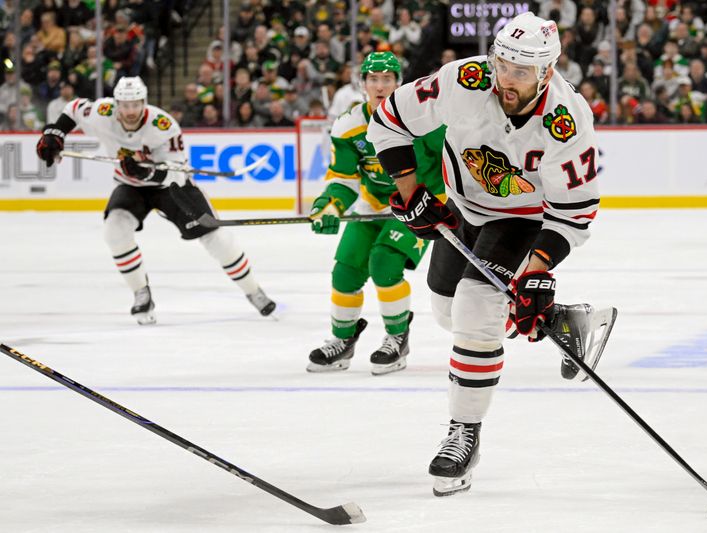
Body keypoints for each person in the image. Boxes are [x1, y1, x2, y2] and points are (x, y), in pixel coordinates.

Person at [367, 13, 600, 495]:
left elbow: (574, 212)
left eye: (520, 71)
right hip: (464, 208)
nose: (505, 78)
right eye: (502, 63)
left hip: (523, 218)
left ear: (547, 72)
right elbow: (389, 120)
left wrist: (536, 271)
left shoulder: (567, 120)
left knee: (477, 308)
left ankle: (464, 433)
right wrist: (411, 193)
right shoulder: (464, 80)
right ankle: (565, 320)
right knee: (446, 311)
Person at [35, 76, 276, 324]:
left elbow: (175, 170)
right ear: (117, 103)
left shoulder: (163, 125)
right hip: (131, 185)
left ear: (145, 102)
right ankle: (141, 293)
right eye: (125, 105)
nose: (130, 111)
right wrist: (55, 134)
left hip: (170, 186)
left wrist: (146, 171)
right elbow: (73, 108)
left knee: (216, 238)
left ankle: (253, 291)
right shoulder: (103, 111)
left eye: (136, 104)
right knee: (114, 231)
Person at [306, 52, 446, 376]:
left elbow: (453, 161)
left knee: (384, 263)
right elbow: (343, 178)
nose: (380, 86)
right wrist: (329, 205)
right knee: (345, 271)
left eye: (387, 79)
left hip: (419, 205)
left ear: (399, 83)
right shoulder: (348, 126)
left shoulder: (423, 120)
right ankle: (342, 341)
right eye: (373, 79)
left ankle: (398, 338)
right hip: (373, 204)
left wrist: (456, 204)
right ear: (363, 83)